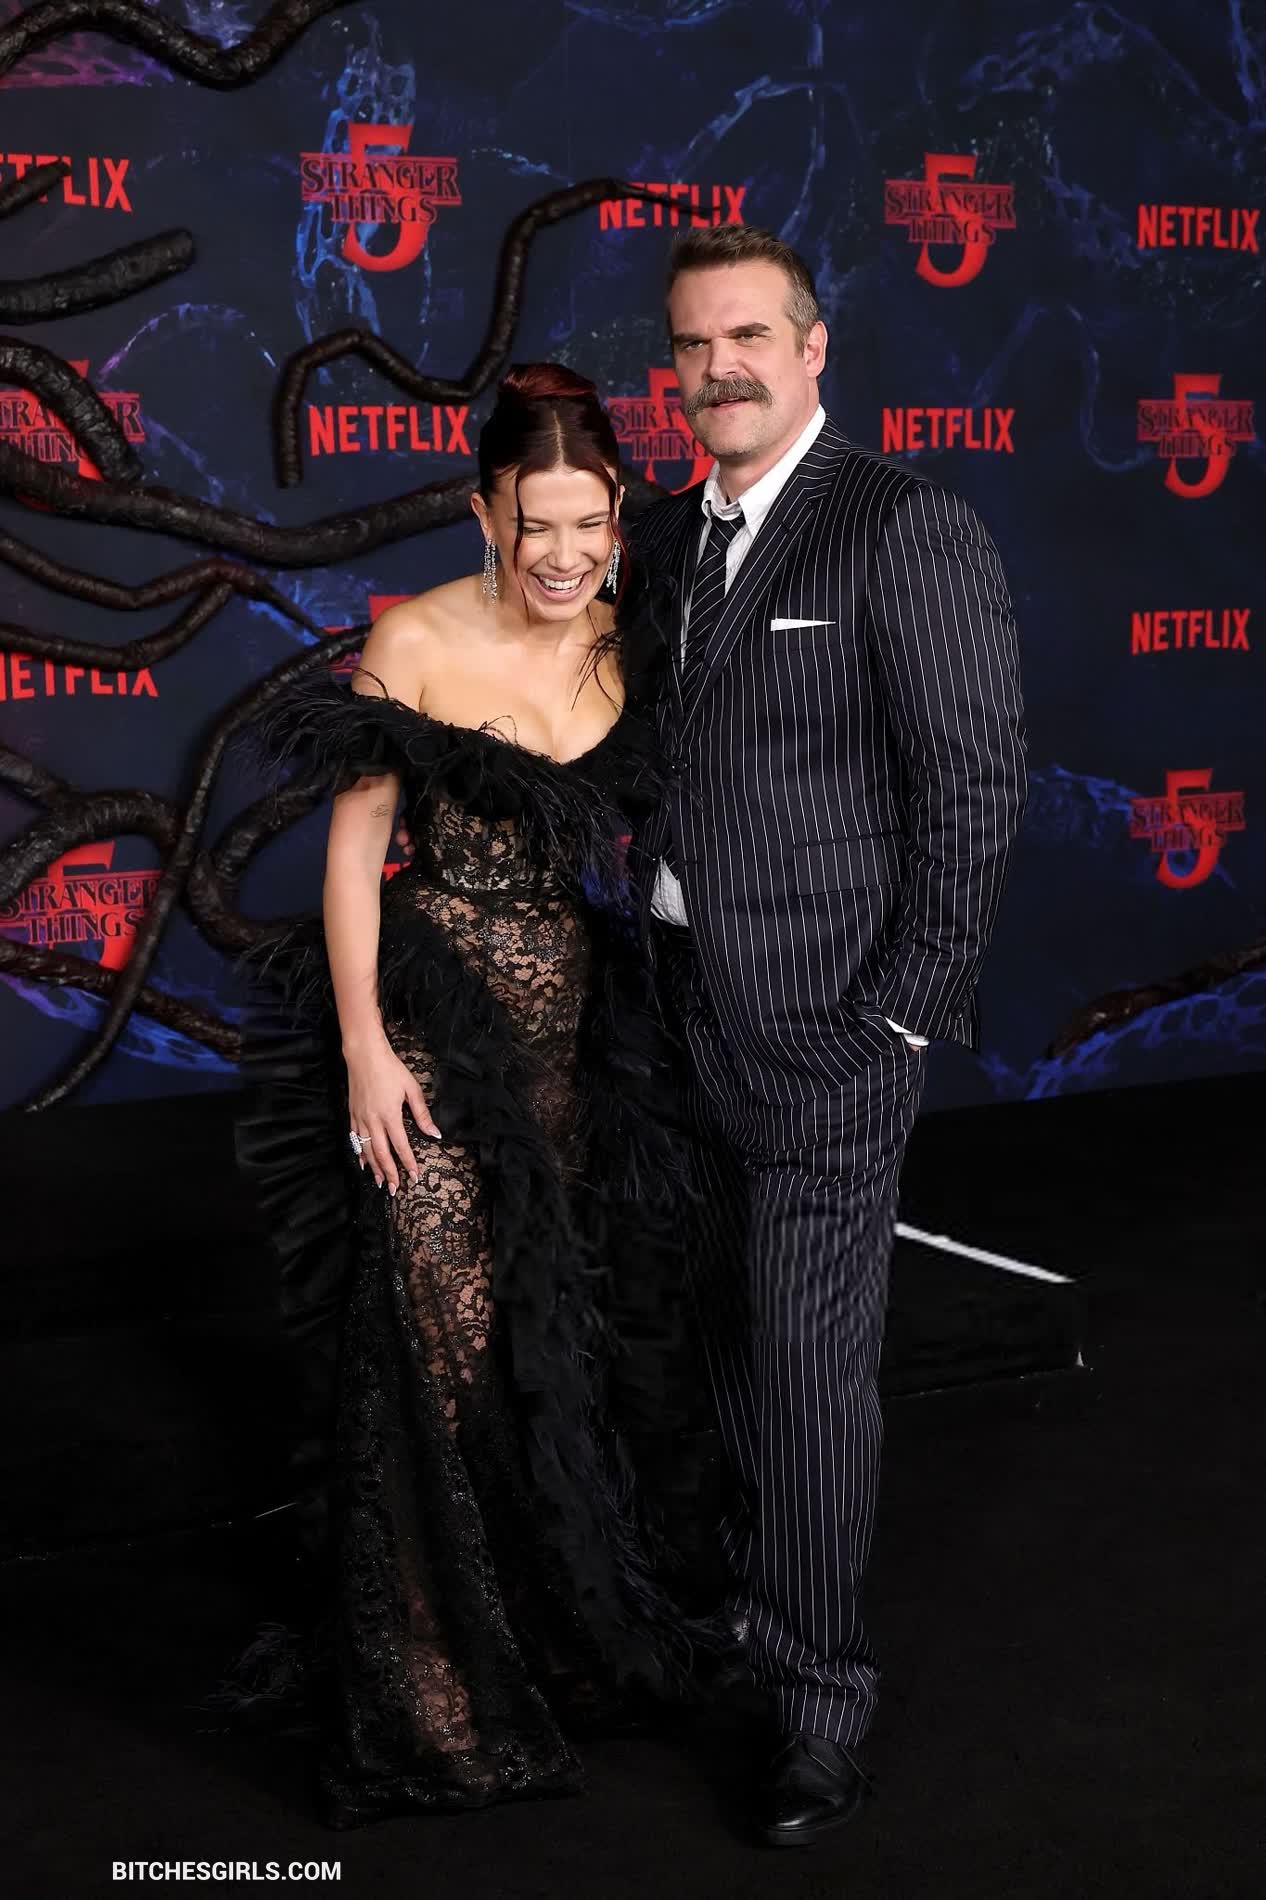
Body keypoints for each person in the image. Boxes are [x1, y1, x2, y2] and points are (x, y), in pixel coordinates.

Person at [227, 362, 713, 1829]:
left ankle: (544, 1627)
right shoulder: (416, 639)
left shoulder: (636, 633)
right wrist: (364, 1048)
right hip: (432, 1022)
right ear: (482, 512)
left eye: (588, 523)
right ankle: (433, 1692)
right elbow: (352, 854)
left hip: (572, 1030)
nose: (562, 554)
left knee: (536, 1329)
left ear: (618, 513)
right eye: (532, 523)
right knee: (430, 1336)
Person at [626, 226, 1028, 1848]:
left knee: (805, 1372)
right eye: (691, 345)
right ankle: (751, 1610)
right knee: (724, 1340)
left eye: (747, 336)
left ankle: (816, 1706)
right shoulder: (661, 536)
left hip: (827, 1030)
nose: (716, 367)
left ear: (811, 349)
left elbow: (972, 789)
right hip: (671, 1012)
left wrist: (899, 1016)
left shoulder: (901, 525)